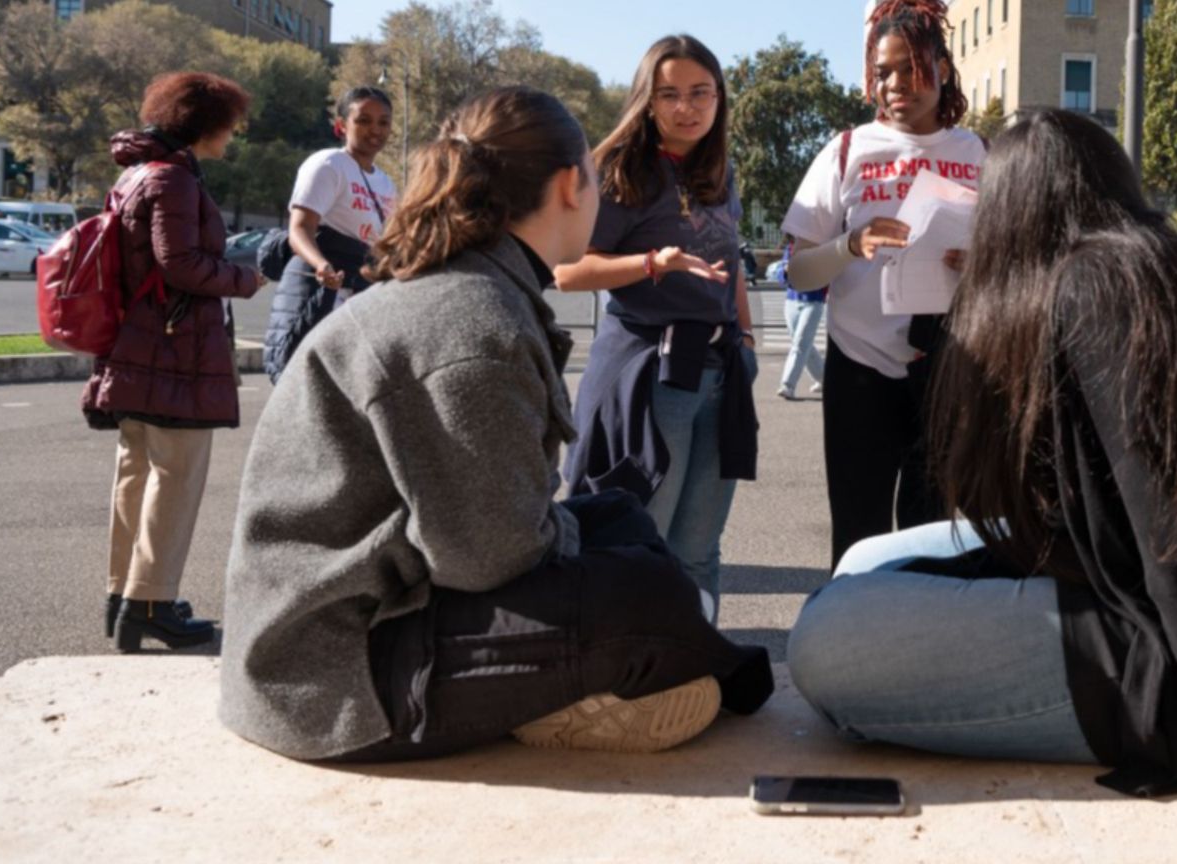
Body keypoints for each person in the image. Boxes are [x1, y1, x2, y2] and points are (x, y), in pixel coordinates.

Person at [786, 109, 1177, 856]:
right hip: (1159, 605)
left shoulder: (1098, 288)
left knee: (824, 642)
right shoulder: (1159, 268)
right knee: (861, 563)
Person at [219, 87, 772, 763]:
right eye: (596, 179)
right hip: (336, 675)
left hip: (378, 606)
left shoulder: (476, 289)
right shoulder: (472, 323)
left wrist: (584, 536)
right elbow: (491, 556)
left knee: (624, 522)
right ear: (571, 185)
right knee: (642, 594)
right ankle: (688, 663)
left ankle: (677, 655)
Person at [556, 35, 757, 623]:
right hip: (652, 373)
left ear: (719, 98)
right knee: (645, 540)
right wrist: (651, 264)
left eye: (700, 92)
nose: (686, 107)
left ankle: (695, 668)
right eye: (669, 94)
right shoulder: (619, 171)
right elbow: (568, 271)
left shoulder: (719, 169)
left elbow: (733, 264)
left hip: (721, 373)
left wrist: (743, 339)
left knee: (698, 550)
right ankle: (632, 683)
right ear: (647, 100)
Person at [781, 0, 985, 568]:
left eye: (910, 68)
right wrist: (850, 245)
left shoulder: (980, 154)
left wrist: (983, 264)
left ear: (942, 68)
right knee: (859, 538)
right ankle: (851, 650)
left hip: (949, 369)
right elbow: (797, 272)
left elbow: (1016, 273)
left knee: (932, 542)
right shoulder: (847, 150)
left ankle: (920, 653)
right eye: (882, 72)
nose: (894, 84)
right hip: (860, 369)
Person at [84, 72, 263, 651]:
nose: (232, 137)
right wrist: (245, 278)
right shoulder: (174, 180)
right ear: (203, 125)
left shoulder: (135, 172)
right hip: (174, 348)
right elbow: (180, 264)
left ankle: (127, 595)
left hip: (134, 346)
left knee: (136, 474)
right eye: (228, 126)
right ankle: (152, 602)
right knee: (175, 475)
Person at [263, 86, 398, 383]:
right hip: (320, 288)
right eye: (363, 120)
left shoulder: (387, 183)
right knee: (305, 383)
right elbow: (299, 228)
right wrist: (320, 265)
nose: (374, 129)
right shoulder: (329, 164)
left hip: (359, 292)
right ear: (341, 125)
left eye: (383, 122)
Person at [774, 239, 826, 400]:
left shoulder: (822, 248)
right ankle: (825, 379)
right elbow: (780, 275)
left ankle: (787, 385)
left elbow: (827, 274)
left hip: (814, 301)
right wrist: (786, 270)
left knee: (800, 344)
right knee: (804, 344)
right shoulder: (791, 248)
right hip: (792, 300)